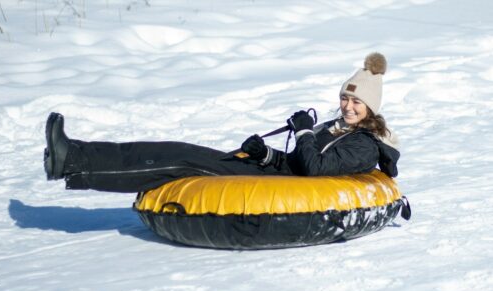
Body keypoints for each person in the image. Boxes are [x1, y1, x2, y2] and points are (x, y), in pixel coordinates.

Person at [44, 52, 400, 193]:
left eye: (356, 101)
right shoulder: (335, 129)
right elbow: (295, 163)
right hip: (269, 175)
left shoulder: (365, 144)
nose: (348, 106)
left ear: (371, 107)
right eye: (345, 98)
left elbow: (315, 168)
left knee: (178, 164)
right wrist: (265, 155)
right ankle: (74, 153)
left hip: (275, 191)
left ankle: (74, 164)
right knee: (177, 149)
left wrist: (305, 130)